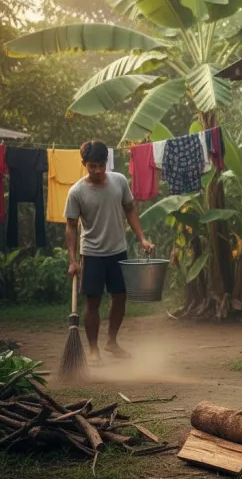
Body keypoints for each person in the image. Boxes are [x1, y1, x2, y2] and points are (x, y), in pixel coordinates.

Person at [65, 140, 155, 364]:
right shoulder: (76, 192)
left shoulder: (119, 181)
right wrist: (73, 260)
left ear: (107, 162)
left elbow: (130, 210)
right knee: (93, 301)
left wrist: (142, 238)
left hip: (118, 250)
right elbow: (71, 226)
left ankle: (111, 341)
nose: (97, 170)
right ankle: (94, 349)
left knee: (120, 297)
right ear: (84, 163)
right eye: (92, 166)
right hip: (93, 253)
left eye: (101, 165)